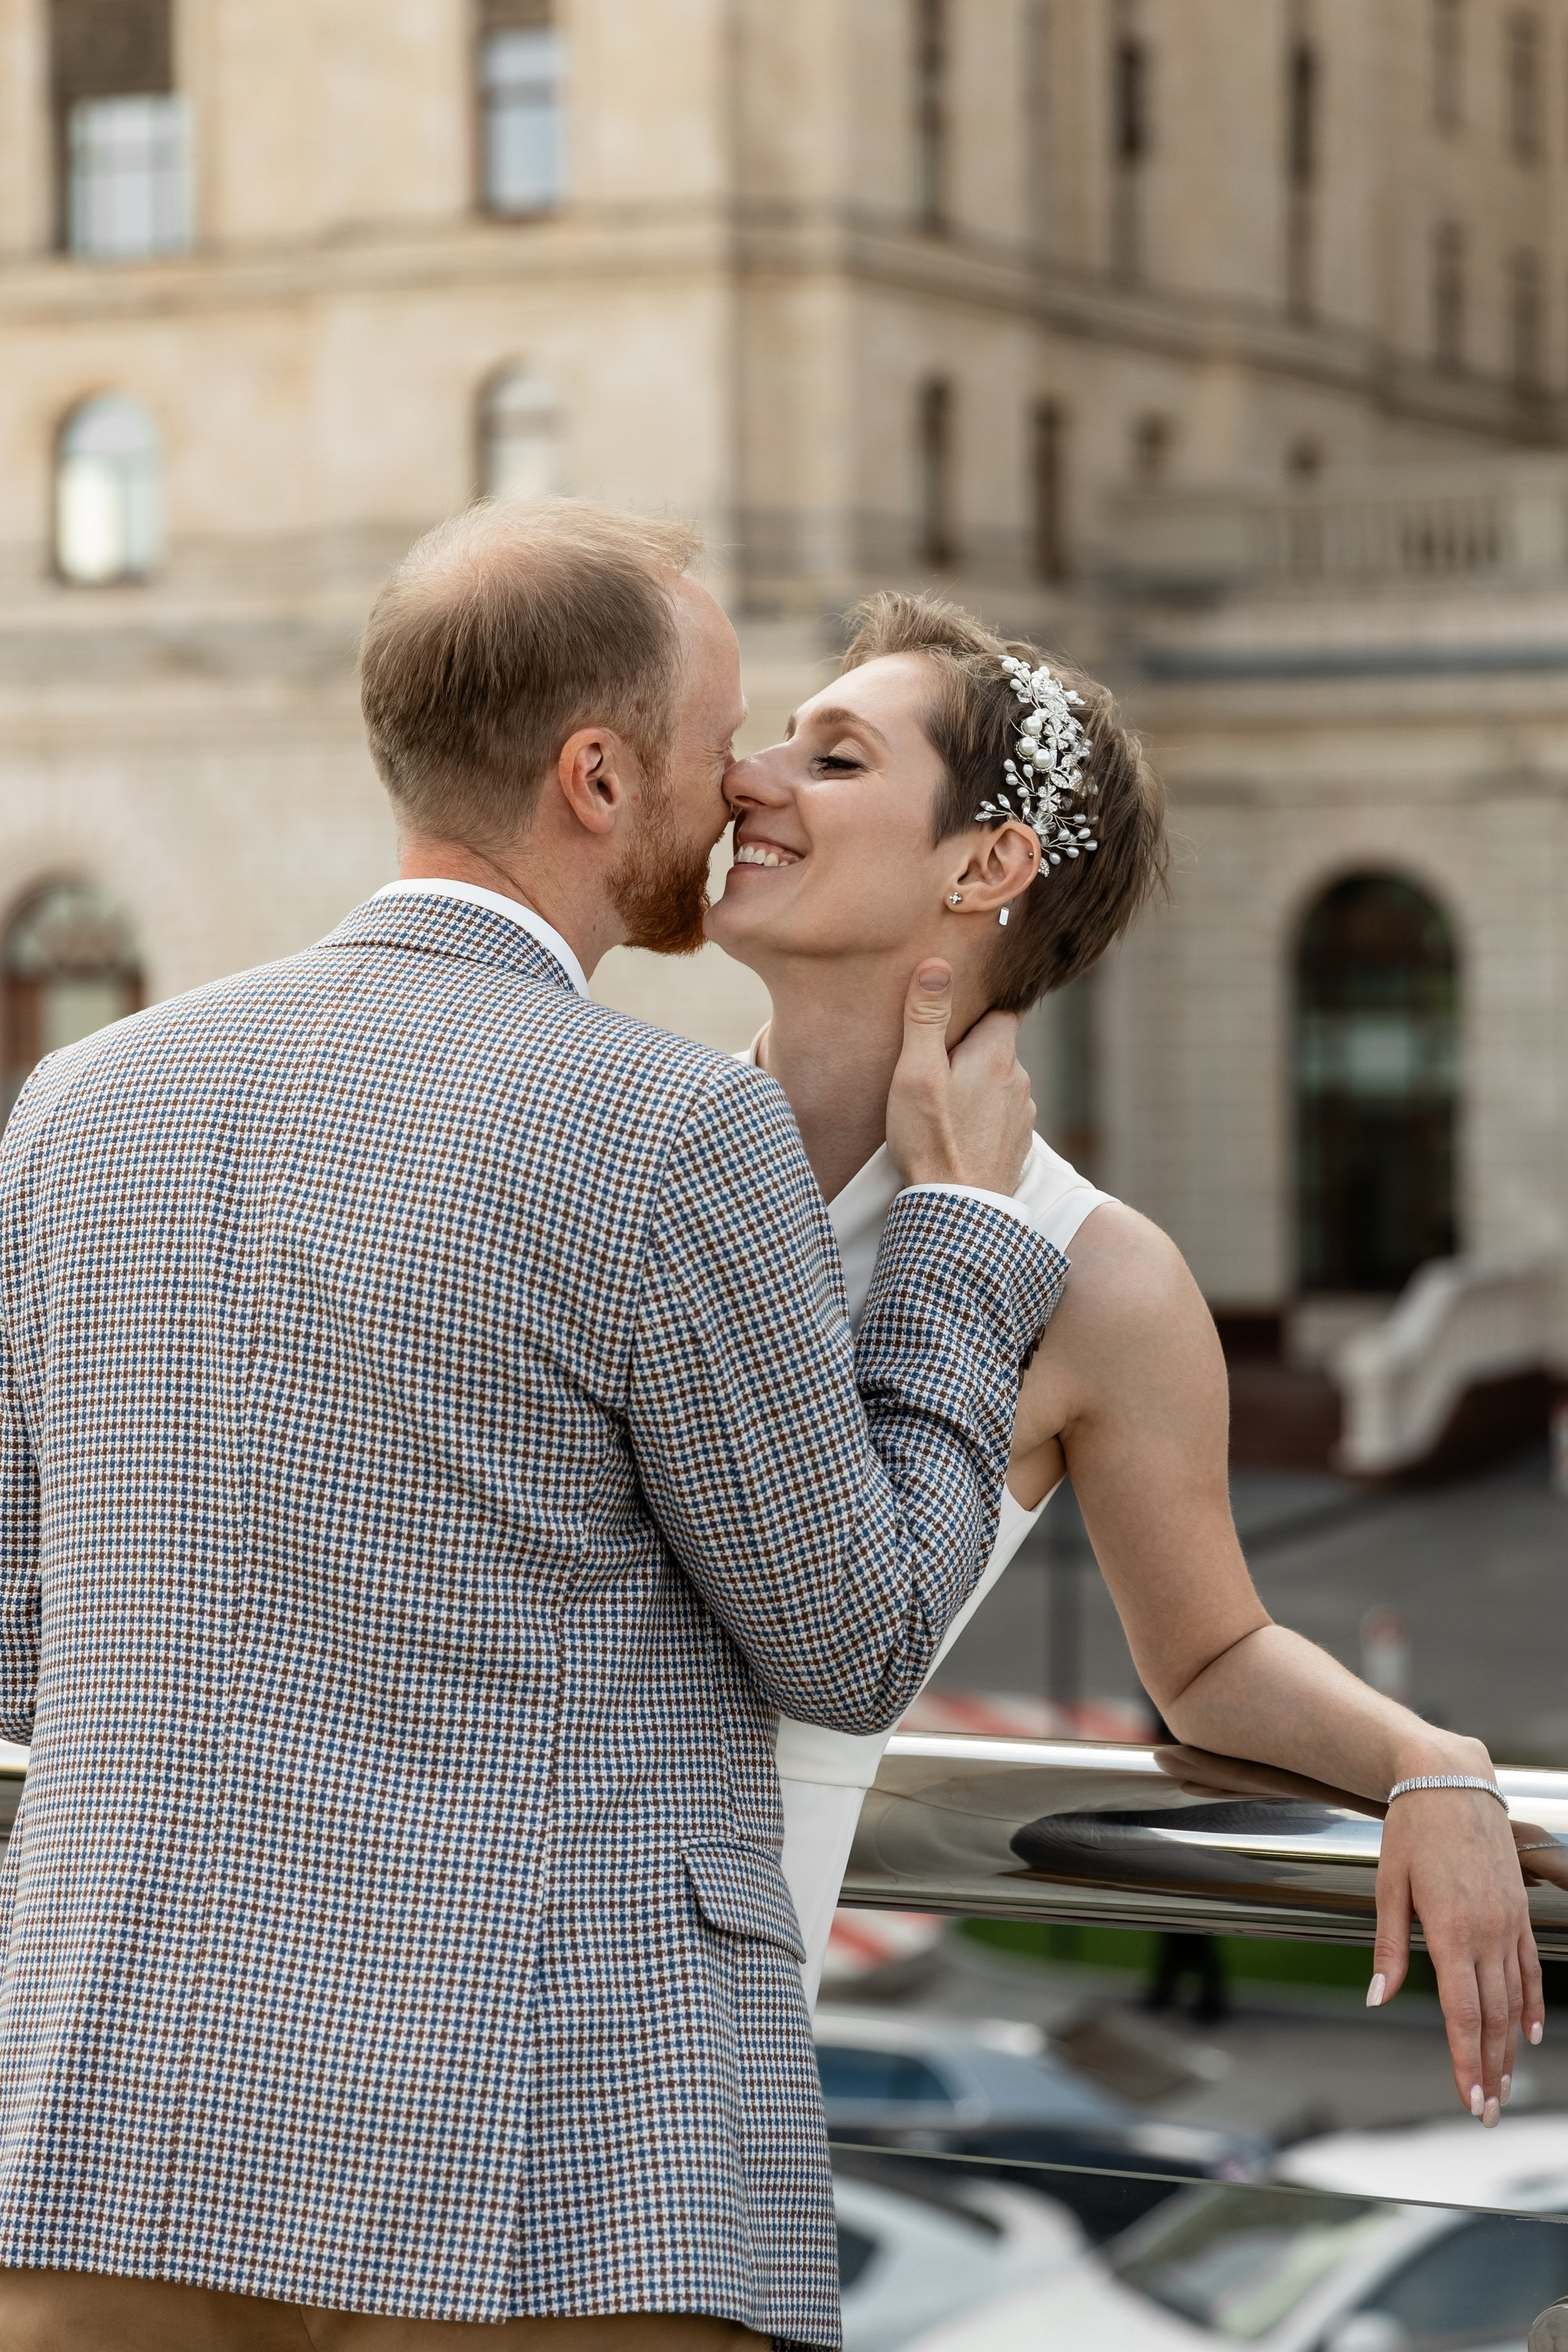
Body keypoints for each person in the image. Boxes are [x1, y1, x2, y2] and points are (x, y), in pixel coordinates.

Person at [0, 506, 1062, 2351]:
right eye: (714, 742)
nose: (739, 789)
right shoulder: (671, 1130)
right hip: (548, 2177)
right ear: (595, 777)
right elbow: (854, 1637)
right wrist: (963, 1242)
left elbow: (25, 1645)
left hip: (107, 2131)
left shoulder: (80, 1103)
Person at [706, 587, 1541, 2122]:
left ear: (986, 864)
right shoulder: (614, 1136)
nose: (743, 777)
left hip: (693, 2023)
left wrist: (1432, 1761)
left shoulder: (1099, 1277)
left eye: (832, 759)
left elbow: (1209, 1661)